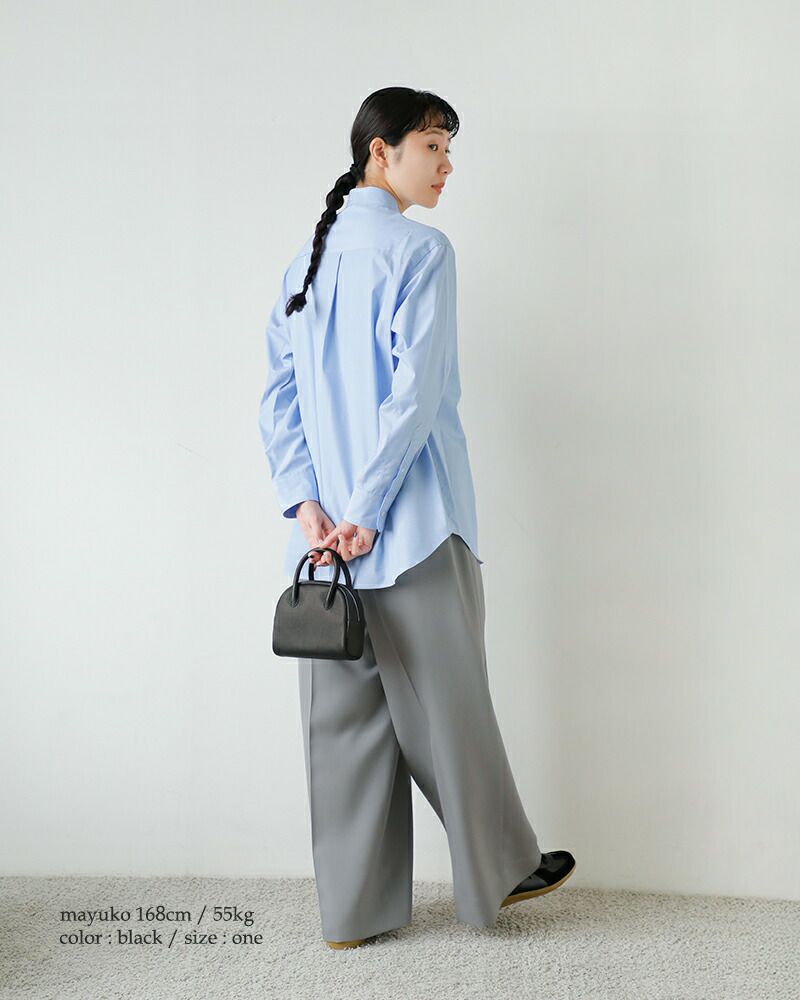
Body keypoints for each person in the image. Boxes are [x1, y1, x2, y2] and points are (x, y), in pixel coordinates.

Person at [258, 86, 575, 949]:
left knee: (342, 726)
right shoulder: (421, 251)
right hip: (414, 527)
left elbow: (279, 402)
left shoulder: (303, 266)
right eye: (433, 145)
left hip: (323, 553)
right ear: (380, 152)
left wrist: (310, 506)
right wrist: (363, 511)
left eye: (447, 148)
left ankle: (352, 915)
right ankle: (501, 871)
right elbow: (416, 394)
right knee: (449, 709)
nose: (446, 164)